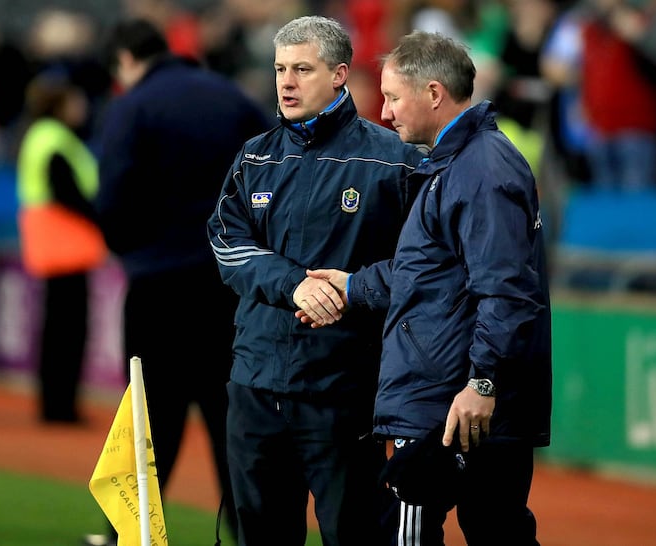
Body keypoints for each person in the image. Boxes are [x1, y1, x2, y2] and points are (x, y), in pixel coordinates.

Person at [297, 30, 552, 546]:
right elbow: (429, 273)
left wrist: (483, 382)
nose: (385, 113)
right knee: (495, 530)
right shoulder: (457, 163)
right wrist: (352, 285)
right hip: (452, 398)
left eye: (392, 97)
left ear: (434, 94)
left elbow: (506, 292)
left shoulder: (480, 169)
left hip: (452, 403)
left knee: (420, 534)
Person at [206, 15, 426, 546]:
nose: (285, 81)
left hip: (343, 391)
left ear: (339, 75)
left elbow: (423, 268)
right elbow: (224, 242)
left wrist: (351, 289)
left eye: (302, 69)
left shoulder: (392, 161)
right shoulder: (255, 156)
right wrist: (294, 285)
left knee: (353, 535)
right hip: (256, 385)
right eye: (280, 68)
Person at [92, 18, 273, 545]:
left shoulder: (133, 106)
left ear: (125, 59)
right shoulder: (233, 99)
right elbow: (276, 172)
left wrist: (135, 249)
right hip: (230, 288)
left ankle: (129, 534)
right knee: (232, 419)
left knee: (148, 422)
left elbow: (113, 204)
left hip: (159, 286)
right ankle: (250, 532)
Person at [15, 69, 108, 424]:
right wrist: (105, 221)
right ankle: (60, 406)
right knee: (67, 330)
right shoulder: (54, 138)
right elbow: (69, 194)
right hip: (64, 244)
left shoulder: (41, 136)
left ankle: (55, 403)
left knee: (58, 328)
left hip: (52, 243)